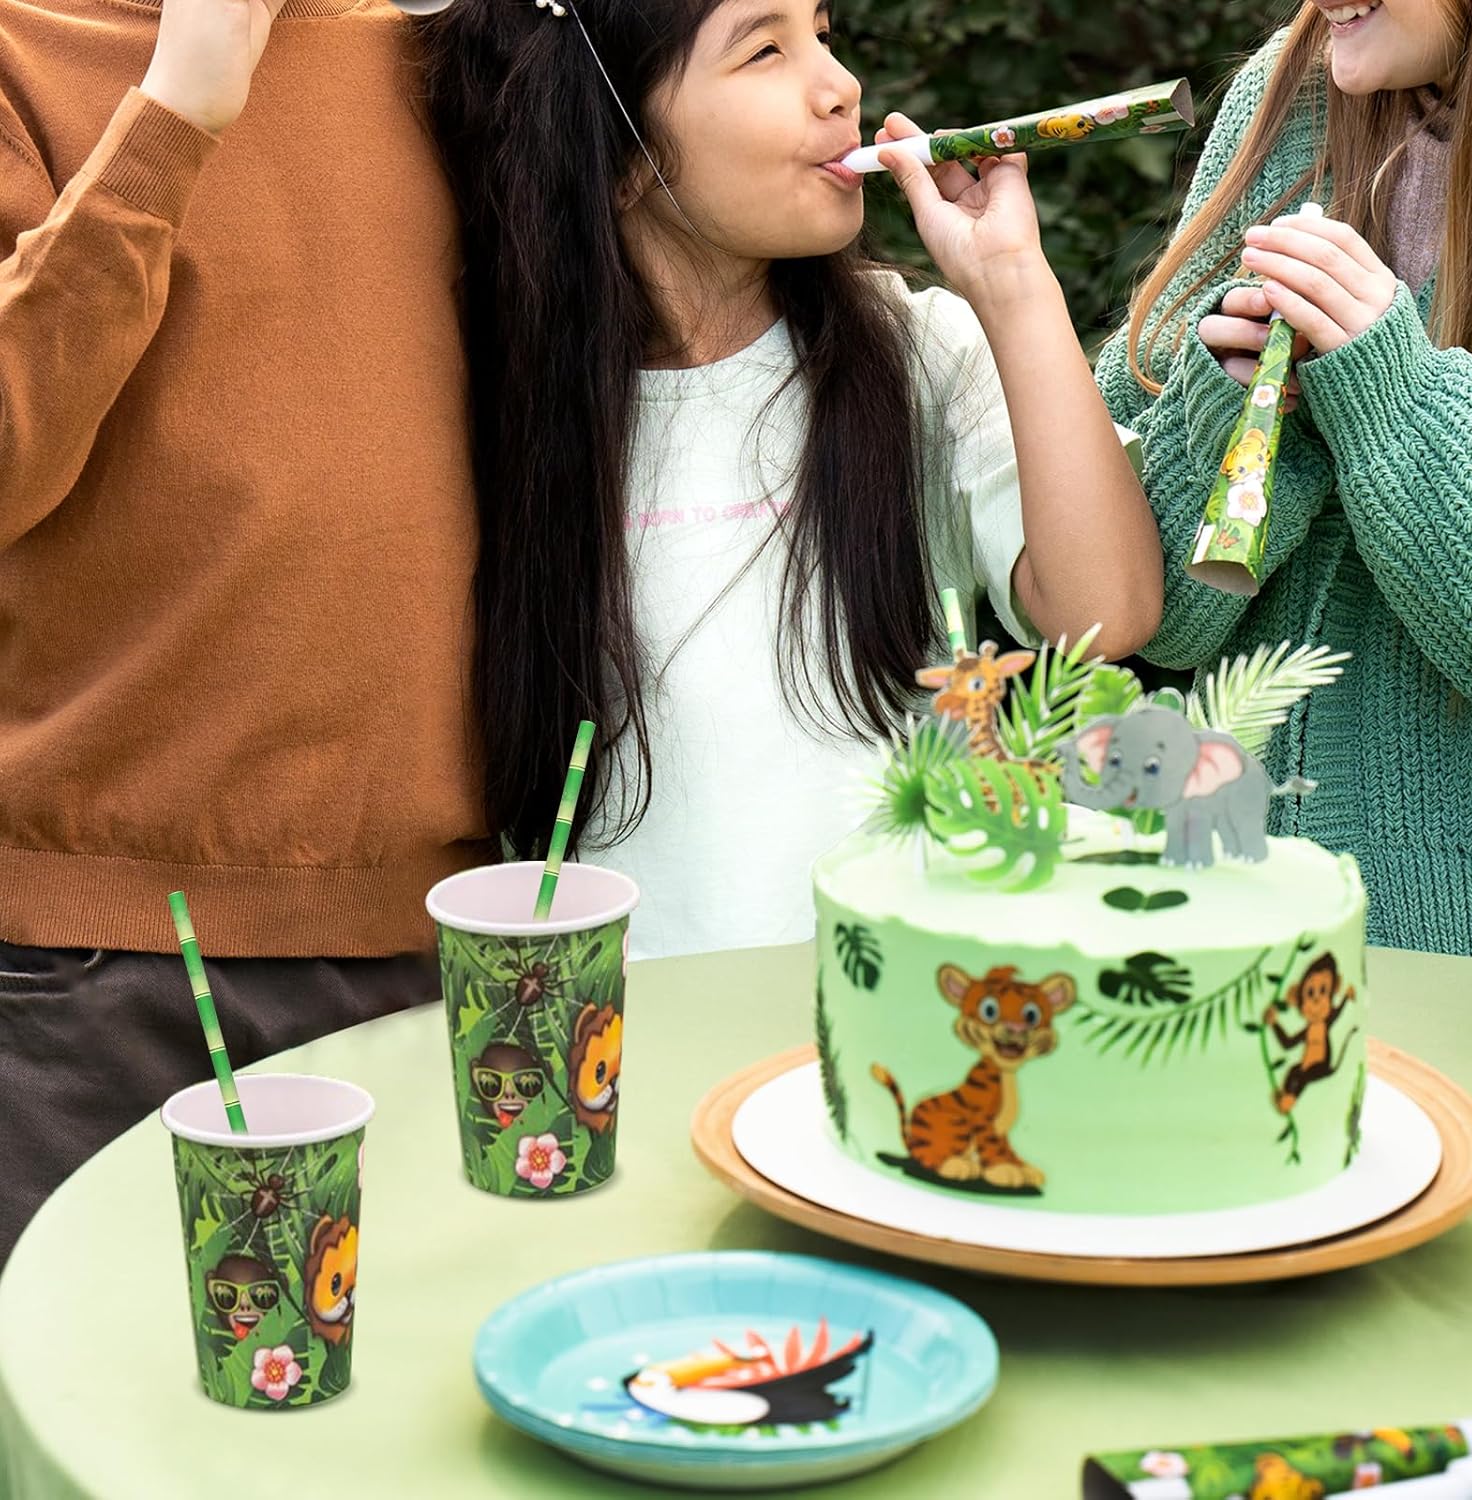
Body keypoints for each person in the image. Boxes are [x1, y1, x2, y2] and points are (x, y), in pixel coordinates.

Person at [416, 0, 1164, 961]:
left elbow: (1108, 612)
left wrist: (1014, 282)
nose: (840, 86)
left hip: (897, 1003)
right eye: (766, 50)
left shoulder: (918, 355)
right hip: (622, 1024)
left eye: (824, 31)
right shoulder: (498, 413)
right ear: (622, 152)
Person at [0, 0, 486, 1266]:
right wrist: (176, 109)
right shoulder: (20, 53)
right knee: (85, 1382)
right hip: (99, 957)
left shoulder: (442, 51)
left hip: (433, 934)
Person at [1095, 0, 1472, 956]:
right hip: (1218, 907)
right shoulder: (1291, 90)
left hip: (1457, 954)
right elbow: (1153, 619)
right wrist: (1226, 409)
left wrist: (1386, 395)